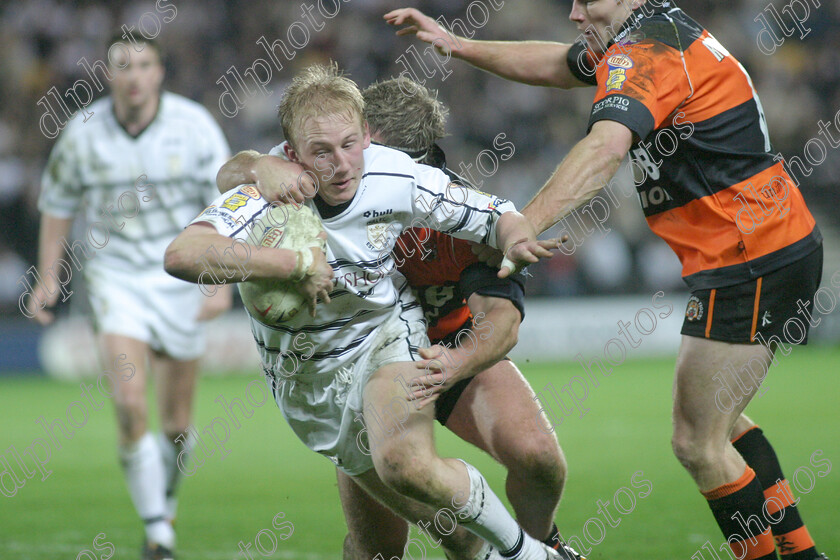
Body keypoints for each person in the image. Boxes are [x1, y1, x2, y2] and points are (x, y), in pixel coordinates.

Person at [386, 3, 827, 560]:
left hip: (751, 257)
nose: (574, 13)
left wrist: (516, 227)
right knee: (720, 421)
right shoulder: (646, 36)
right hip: (760, 249)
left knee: (698, 444)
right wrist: (459, 44)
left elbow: (604, 148)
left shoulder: (647, 52)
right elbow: (558, 65)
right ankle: (800, 552)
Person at [165, 63, 564, 560]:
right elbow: (183, 255)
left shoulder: (395, 174)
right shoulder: (265, 194)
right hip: (308, 378)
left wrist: (515, 235)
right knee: (402, 543)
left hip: (387, 337)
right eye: (321, 152)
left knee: (406, 465)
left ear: (368, 138)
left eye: (350, 145)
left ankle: (534, 554)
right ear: (292, 155)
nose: (341, 164)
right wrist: (292, 262)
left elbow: (492, 213)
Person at [31, 35, 231, 560]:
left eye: (144, 64)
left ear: (160, 71)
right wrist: (49, 277)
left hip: (180, 277)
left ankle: (162, 504)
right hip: (114, 278)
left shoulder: (194, 127)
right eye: (124, 65)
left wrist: (222, 280)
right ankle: (158, 534)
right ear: (109, 74)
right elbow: (56, 205)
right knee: (127, 403)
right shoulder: (83, 132)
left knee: (177, 425)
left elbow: (229, 205)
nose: (135, 75)